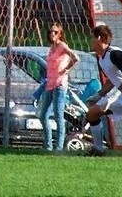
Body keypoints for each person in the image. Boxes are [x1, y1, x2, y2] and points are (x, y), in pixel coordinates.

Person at [85, 24, 122, 156]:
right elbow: (113, 80)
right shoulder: (101, 58)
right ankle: (98, 150)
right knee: (92, 113)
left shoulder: (115, 54)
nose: (91, 41)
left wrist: (113, 96)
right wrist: (98, 95)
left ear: (100, 38)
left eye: (92, 38)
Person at [39, 22, 79, 151]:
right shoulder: (51, 48)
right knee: (43, 114)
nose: (52, 34)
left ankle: (59, 147)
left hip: (60, 84)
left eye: (55, 32)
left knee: (58, 115)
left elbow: (75, 57)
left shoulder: (62, 46)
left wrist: (66, 69)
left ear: (60, 34)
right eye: (51, 31)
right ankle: (48, 145)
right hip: (50, 84)